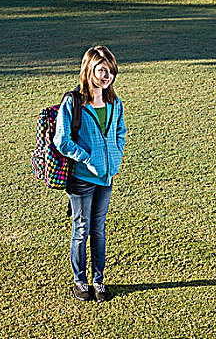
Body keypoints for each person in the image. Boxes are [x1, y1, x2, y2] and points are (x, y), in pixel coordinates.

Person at [54, 45, 126, 302]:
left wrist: (114, 157)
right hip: (82, 179)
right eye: (102, 70)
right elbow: (62, 140)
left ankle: (98, 281)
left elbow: (120, 133)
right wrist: (88, 159)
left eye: (111, 71)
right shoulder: (73, 102)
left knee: (99, 230)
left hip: (106, 178)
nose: (107, 76)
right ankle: (80, 281)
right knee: (81, 229)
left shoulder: (114, 102)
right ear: (89, 70)